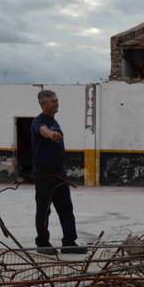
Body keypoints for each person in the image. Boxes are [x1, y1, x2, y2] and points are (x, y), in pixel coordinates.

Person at [31, 90, 85, 254]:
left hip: (59, 174)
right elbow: (43, 130)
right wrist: (51, 135)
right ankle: (42, 243)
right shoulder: (39, 121)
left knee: (66, 209)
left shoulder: (55, 121)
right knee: (44, 210)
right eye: (53, 101)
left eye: (57, 100)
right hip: (44, 175)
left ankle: (69, 243)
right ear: (44, 104)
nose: (57, 103)